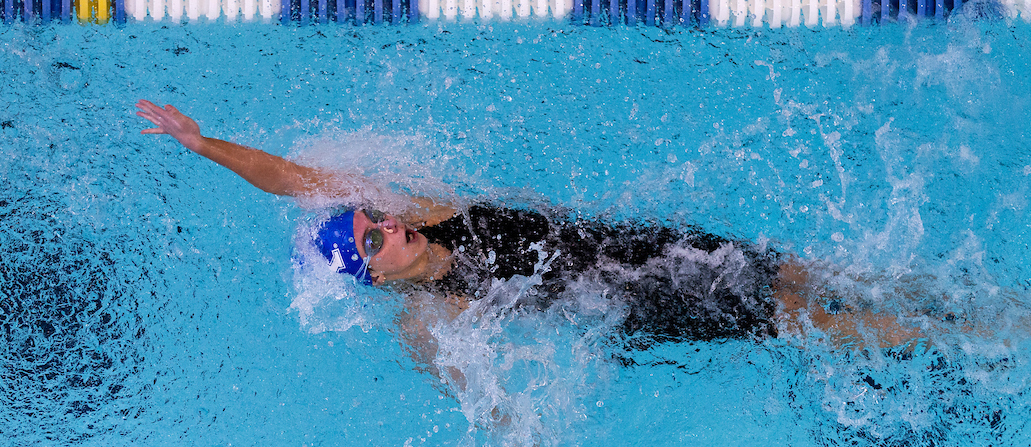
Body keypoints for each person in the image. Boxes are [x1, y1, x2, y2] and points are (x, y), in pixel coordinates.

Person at [135, 99, 931, 361]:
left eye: (370, 219)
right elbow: (499, 417)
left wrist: (205, 146)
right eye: (369, 240)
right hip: (646, 307)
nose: (382, 224)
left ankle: (984, 309)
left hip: (650, 244)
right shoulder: (431, 319)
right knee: (816, 322)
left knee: (814, 271)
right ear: (369, 277)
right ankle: (976, 342)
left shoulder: (431, 205)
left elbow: (293, 179)